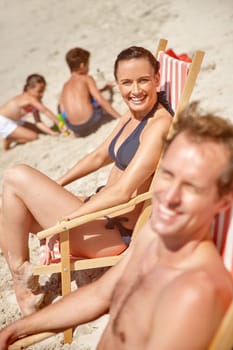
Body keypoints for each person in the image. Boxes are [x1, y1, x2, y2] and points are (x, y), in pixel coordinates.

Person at [0, 111, 233, 350]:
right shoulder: (154, 235)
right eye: (167, 175)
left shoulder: (192, 294)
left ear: (224, 201)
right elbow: (99, 295)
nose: (169, 196)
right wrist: (17, 329)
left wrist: (67, 220)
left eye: (191, 187)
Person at [0, 46, 174, 316]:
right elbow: (97, 156)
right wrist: (55, 186)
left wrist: (64, 224)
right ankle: (22, 282)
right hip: (98, 212)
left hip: (113, 234)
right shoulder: (133, 114)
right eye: (127, 83)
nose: (136, 90)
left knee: (15, 176)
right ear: (117, 85)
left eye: (143, 80)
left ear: (156, 78)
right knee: (12, 206)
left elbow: (124, 192)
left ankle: (22, 287)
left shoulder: (158, 125)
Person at [58, 47, 122, 136]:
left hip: (74, 127)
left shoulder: (65, 86)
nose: (88, 67)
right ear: (82, 65)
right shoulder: (87, 78)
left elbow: (62, 109)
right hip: (90, 121)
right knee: (96, 103)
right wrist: (119, 117)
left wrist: (68, 128)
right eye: (88, 64)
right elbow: (99, 99)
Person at [0, 74, 61, 151]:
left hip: (15, 120)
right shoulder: (29, 98)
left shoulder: (34, 100)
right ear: (28, 89)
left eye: (43, 91)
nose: (41, 94)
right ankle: (9, 138)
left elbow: (38, 122)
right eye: (39, 91)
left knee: (39, 130)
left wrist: (51, 132)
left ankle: (13, 134)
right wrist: (59, 123)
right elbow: (45, 111)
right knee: (33, 137)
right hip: (3, 121)